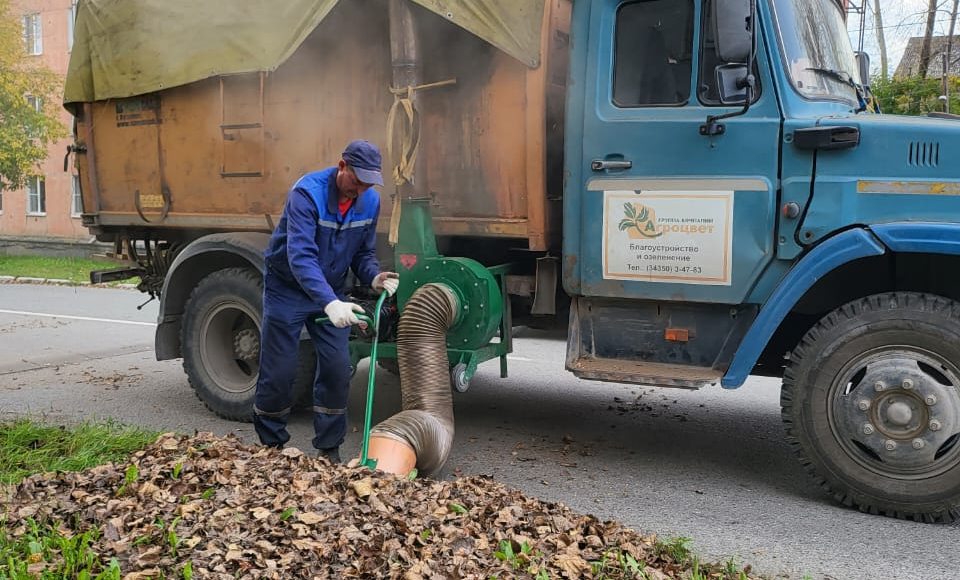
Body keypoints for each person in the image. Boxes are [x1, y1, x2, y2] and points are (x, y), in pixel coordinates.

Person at [253, 139, 399, 463]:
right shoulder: (307, 194)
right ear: (341, 166)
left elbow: (363, 253)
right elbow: (301, 257)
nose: (359, 189)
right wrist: (330, 304)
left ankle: (328, 449)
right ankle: (271, 448)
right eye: (356, 180)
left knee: (336, 369)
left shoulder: (369, 201)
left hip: (332, 290)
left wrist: (375, 276)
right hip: (287, 288)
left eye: (367, 184)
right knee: (280, 372)